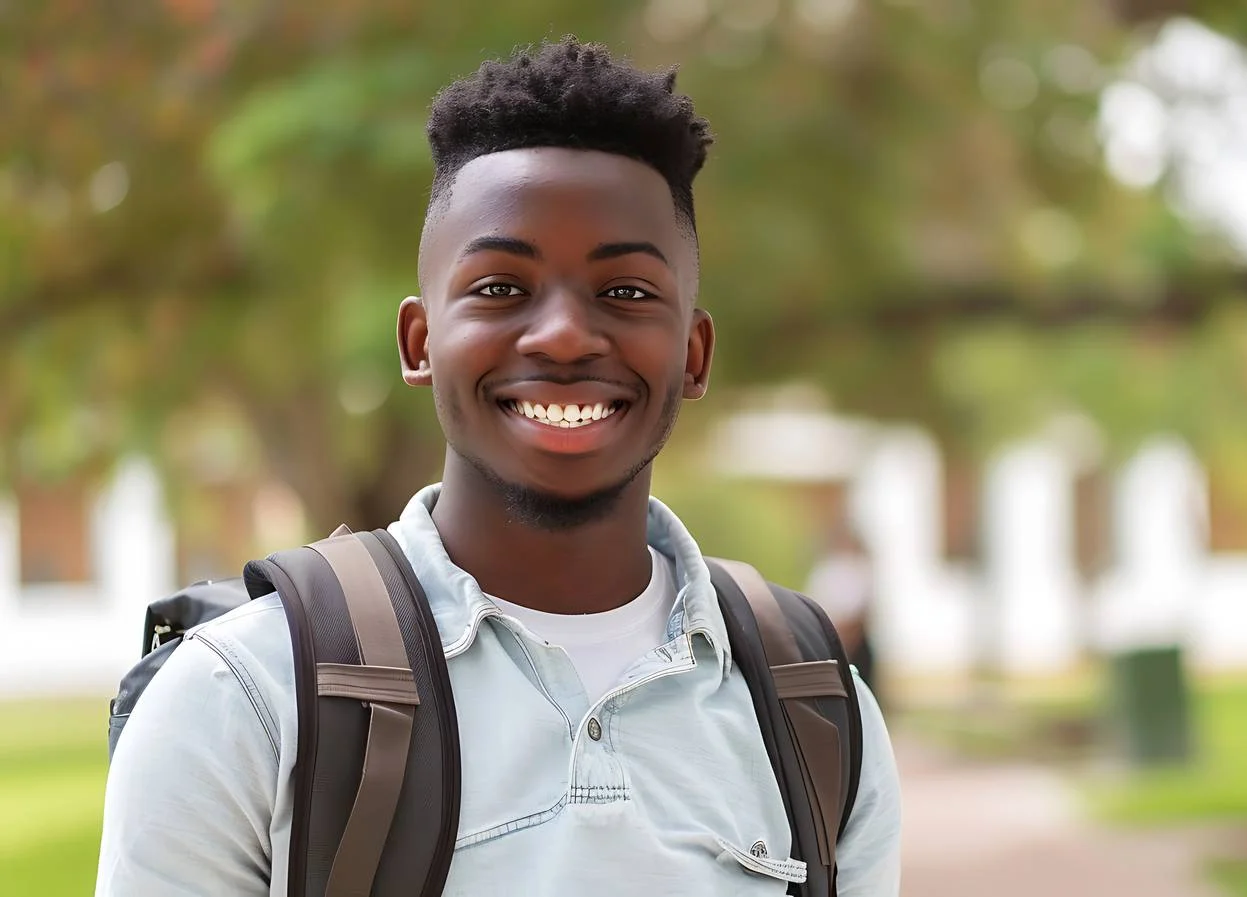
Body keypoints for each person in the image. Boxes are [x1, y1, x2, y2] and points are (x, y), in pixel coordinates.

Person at [96, 39, 901, 895]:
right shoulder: (243, 695)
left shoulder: (815, 707)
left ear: (694, 354)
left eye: (626, 292)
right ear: (420, 341)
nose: (563, 336)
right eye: (500, 288)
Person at [805, 522, 878, 693]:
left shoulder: (859, 570)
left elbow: (859, 614)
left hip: (852, 645)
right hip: (829, 643)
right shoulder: (825, 571)